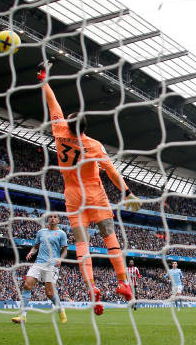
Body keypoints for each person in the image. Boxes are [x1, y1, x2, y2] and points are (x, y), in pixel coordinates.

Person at [38, 59, 141, 315]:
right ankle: (122, 283)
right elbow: (112, 172)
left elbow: (53, 104)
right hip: (94, 193)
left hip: (72, 194)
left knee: (82, 243)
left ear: (70, 123)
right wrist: (127, 193)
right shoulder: (94, 146)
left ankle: (92, 288)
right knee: (109, 237)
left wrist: (44, 79)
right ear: (85, 128)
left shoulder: (60, 131)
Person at [12, 213, 68, 324]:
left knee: (49, 293)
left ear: (58, 220)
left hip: (52, 265)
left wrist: (60, 259)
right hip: (38, 263)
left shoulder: (61, 233)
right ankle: (22, 316)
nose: (52, 218)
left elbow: (65, 250)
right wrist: (31, 252)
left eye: (55, 217)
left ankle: (60, 308)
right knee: (27, 285)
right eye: (50, 217)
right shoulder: (41, 232)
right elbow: (35, 246)